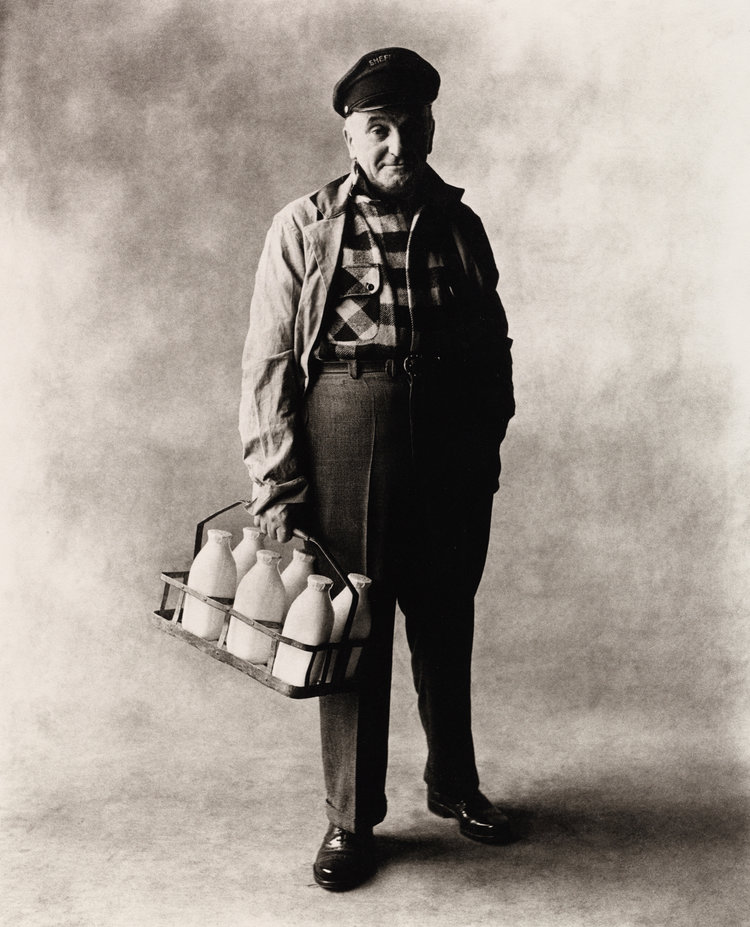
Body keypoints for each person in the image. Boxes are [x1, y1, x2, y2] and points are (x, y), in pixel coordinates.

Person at [239, 47, 516, 891]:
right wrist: (277, 482)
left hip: (446, 447)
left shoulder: (460, 225)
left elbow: (493, 345)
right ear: (350, 135)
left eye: (412, 125)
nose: (399, 145)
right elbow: (267, 367)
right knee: (352, 626)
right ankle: (349, 819)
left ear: (432, 123)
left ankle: (454, 784)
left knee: (445, 619)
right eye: (379, 130)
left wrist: (483, 444)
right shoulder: (305, 226)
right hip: (345, 436)